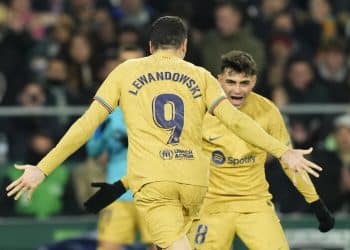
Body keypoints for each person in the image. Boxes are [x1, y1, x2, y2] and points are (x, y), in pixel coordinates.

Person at [6, 16, 322, 250]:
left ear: (149, 47)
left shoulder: (126, 71)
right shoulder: (200, 75)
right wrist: (283, 150)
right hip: (197, 183)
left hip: (153, 183)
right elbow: (237, 121)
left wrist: (42, 169)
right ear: (183, 47)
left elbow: (86, 125)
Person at [187, 50, 334, 250]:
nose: (237, 90)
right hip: (210, 206)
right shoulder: (199, 112)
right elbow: (178, 158)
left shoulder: (268, 111)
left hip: (254, 204)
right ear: (219, 80)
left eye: (244, 83)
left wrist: (316, 204)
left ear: (254, 82)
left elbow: (289, 160)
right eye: (231, 82)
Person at [86, 45, 155, 250]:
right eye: (124, 62)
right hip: (117, 192)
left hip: (152, 193)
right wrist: (105, 131)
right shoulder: (106, 107)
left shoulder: (160, 104)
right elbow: (94, 151)